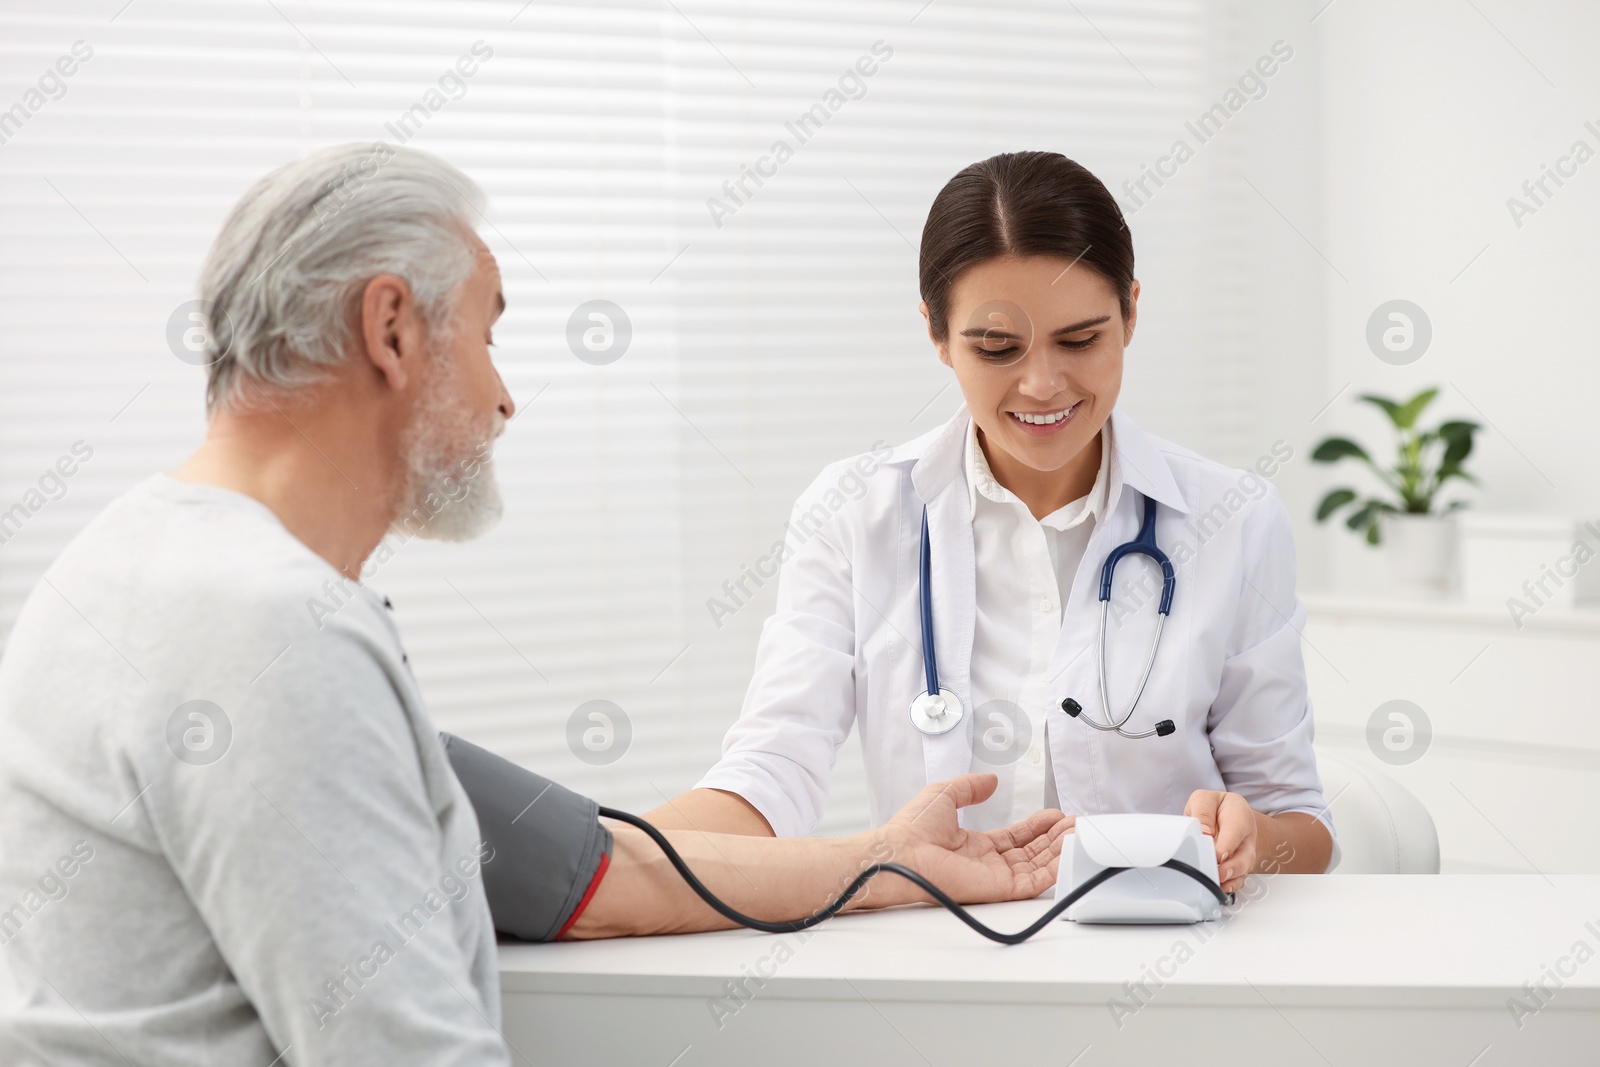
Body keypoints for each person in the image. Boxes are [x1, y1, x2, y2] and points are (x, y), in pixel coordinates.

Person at [0, 143, 1070, 1067]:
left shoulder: (126, 563)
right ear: (391, 328)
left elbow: (591, 867)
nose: (504, 396)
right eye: (487, 333)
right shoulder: (272, 635)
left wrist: (879, 861)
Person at [653, 150, 1339, 892]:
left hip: (1163, 945)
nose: (1043, 384)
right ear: (938, 334)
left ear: (1132, 311)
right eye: (997, 347)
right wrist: (599, 863)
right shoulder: (853, 513)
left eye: (1080, 340)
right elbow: (770, 769)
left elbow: (1297, 819)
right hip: (947, 955)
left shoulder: (1232, 520)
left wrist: (1248, 839)